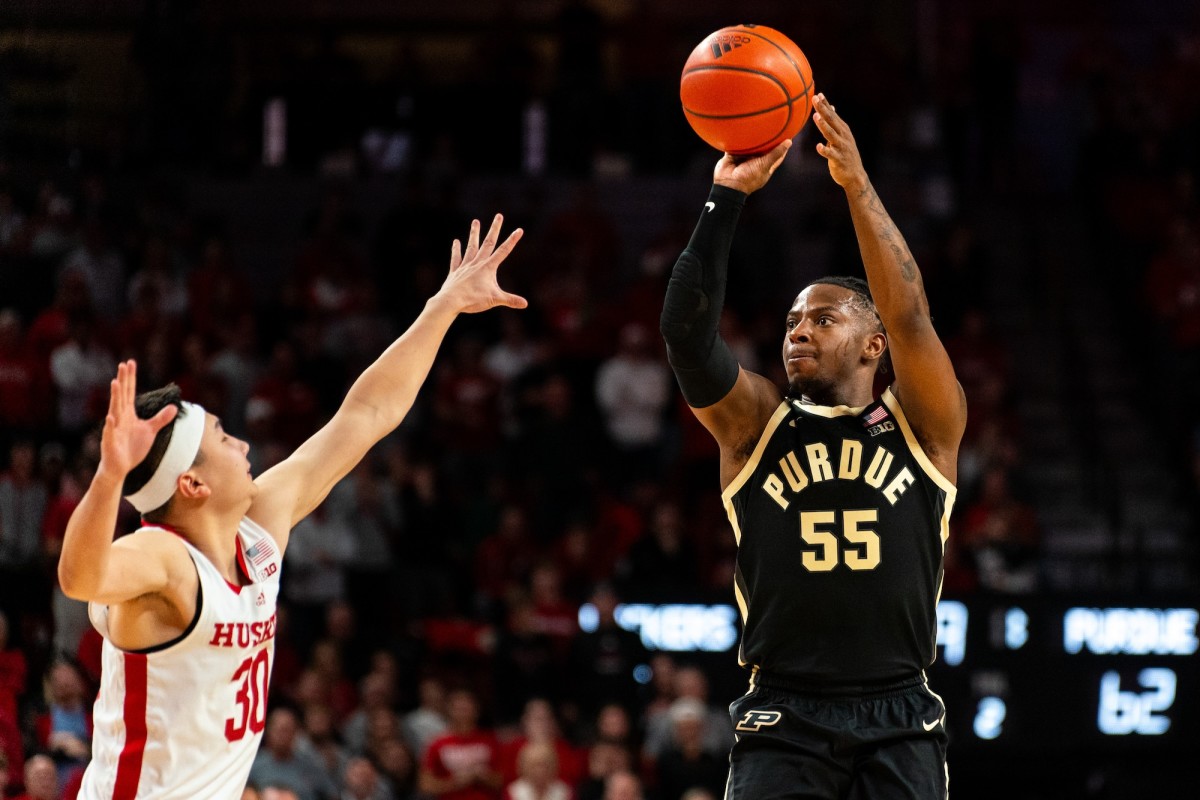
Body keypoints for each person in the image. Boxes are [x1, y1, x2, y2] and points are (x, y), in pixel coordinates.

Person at [57, 215, 526, 799]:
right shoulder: (165, 558)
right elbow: (81, 577)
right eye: (226, 439)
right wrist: (109, 473)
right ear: (193, 485)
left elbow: (365, 417)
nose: (245, 446)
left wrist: (442, 308)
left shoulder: (257, 527)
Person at [659, 94, 966, 799]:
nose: (798, 331)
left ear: (872, 344)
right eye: (794, 319)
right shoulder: (756, 423)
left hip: (899, 711)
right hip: (784, 713)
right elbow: (686, 335)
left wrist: (857, 185)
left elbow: (912, 313)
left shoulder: (922, 424)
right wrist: (724, 199)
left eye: (824, 319)